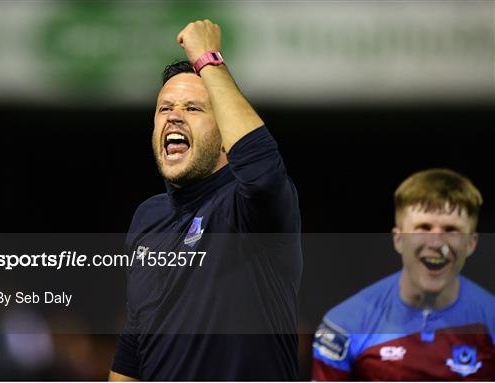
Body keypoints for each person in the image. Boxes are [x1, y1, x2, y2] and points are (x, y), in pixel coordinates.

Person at [109, 20, 302, 381]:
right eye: (164, 108)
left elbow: (261, 172)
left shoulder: (251, 207)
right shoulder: (147, 217)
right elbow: (134, 350)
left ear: (225, 132)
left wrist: (207, 59)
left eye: (194, 109)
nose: (174, 116)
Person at [312, 168, 495, 380]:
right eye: (423, 228)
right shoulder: (343, 325)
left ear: (471, 243)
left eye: (451, 229)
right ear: (398, 239)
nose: (436, 243)